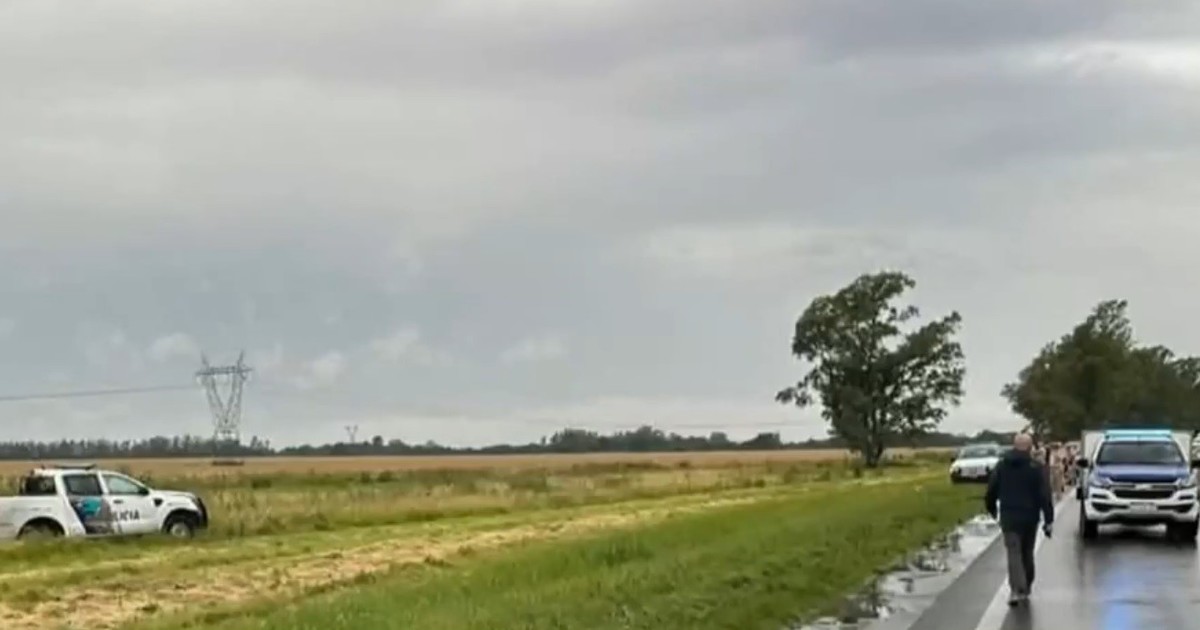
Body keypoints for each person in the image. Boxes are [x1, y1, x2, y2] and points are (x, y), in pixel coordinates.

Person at [985, 433, 1055, 606]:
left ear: (1014, 446)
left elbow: (992, 489)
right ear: (1030, 448)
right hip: (1030, 516)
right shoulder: (1036, 467)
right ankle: (1026, 586)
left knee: (1013, 553)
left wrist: (992, 508)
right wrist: (1048, 519)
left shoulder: (1002, 465)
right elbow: (1044, 494)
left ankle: (1017, 589)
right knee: (1027, 551)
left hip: (1009, 516)